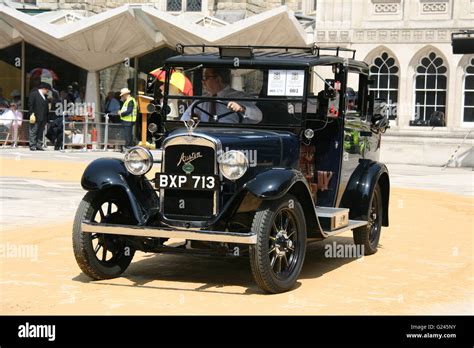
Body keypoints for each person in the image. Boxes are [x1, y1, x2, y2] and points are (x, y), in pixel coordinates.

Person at [181, 68, 262, 123]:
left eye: (206, 77)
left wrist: (241, 109)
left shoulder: (239, 97)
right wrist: (193, 119)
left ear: (218, 79)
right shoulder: (200, 102)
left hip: (230, 138)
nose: (203, 81)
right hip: (205, 138)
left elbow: (258, 117)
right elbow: (184, 120)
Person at [28, 82, 51, 151]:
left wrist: (47, 118)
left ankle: (38, 145)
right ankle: (32, 145)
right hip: (35, 116)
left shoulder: (45, 97)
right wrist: (31, 114)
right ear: (43, 89)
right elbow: (30, 105)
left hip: (43, 118)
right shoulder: (34, 94)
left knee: (40, 132)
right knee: (33, 131)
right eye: (47, 90)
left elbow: (46, 108)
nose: (48, 92)